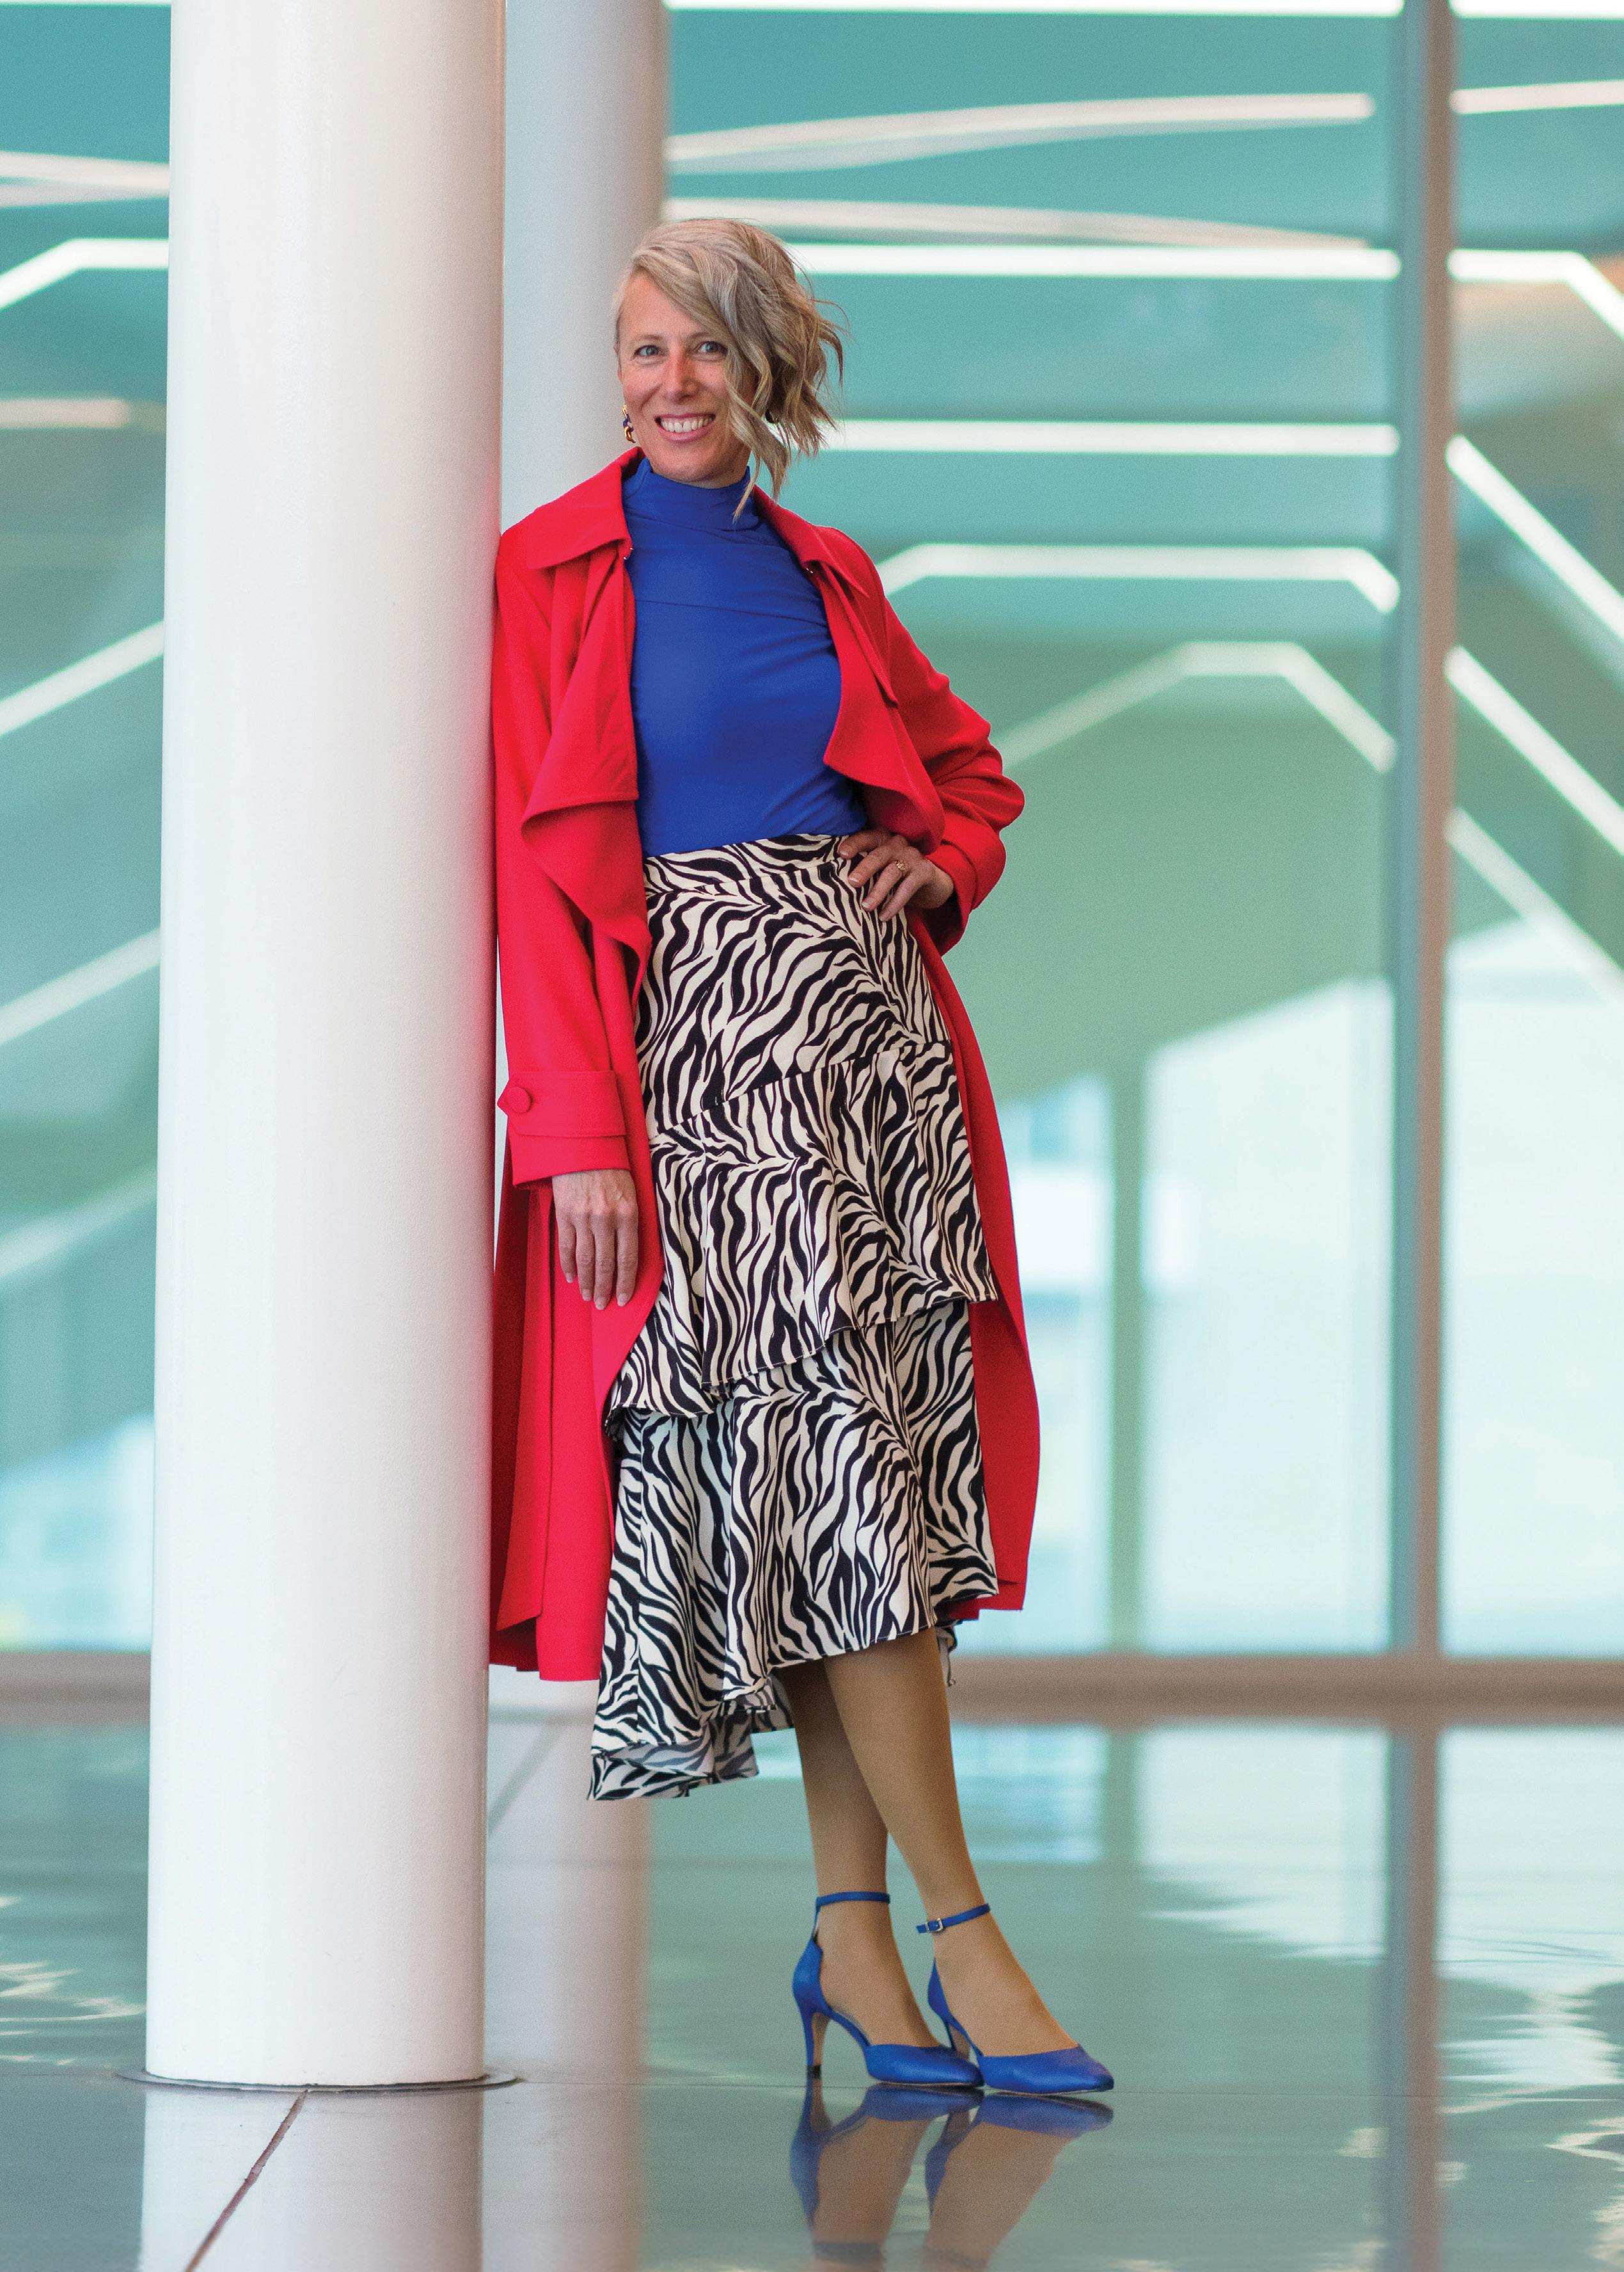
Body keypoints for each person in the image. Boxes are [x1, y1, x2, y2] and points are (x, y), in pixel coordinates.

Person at [490, 217, 1111, 2097]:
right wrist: (577, 1135)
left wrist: (942, 860)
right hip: (696, 1064)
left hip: (868, 1060)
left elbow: (974, 777)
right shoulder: (551, 570)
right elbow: (528, 868)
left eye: (703, 348)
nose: (670, 382)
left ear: (766, 369)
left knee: (866, 1498)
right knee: (829, 1477)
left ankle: (855, 1942)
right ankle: (962, 1933)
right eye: (642, 349)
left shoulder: (827, 568)